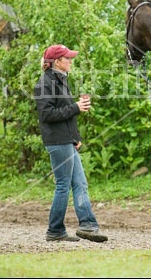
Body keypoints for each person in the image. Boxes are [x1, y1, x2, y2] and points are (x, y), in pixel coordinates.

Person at [34, 44, 108, 243]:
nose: (71, 61)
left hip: (66, 141)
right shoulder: (44, 83)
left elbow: (65, 113)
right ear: (57, 62)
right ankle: (55, 230)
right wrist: (76, 107)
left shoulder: (60, 81)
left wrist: (75, 138)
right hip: (57, 142)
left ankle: (88, 225)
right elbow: (47, 115)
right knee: (63, 186)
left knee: (80, 183)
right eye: (67, 58)